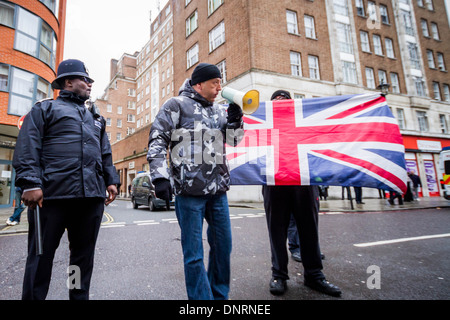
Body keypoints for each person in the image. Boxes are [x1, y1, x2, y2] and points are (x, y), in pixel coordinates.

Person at [12, 59, 120, 300]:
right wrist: (30, 182)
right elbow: (28, 145)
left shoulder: (96, 118)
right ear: (68, 82)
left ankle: (77, 297)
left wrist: (111, 180)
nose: (90, 84)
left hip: (90, 198)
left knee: (80, 259)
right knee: (41, 257)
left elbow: (105, 152)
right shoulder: (44, 109)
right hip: (51, 198)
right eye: (85, 79)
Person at [147, 62, 244, 300]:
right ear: (198, 84)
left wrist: (235, 120)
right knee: (194, 254)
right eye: (215, 82)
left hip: (218, 191)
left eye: (221, 82)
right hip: (189, 193)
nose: (220, 87)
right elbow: (158, 138)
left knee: (223, 247)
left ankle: (219, 296)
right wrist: (160, 177)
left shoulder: (219, 110)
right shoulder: (176, 105)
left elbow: (233, 141)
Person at [263, 90, 341, 297]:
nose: (280, 103)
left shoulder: (305, 122)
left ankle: (314, 276)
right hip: (274, 183)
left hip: (303, 181)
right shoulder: (264, 124)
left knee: (309, 229)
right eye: (276, 101)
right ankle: (279, 275)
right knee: (277, 231)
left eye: (284, 100)